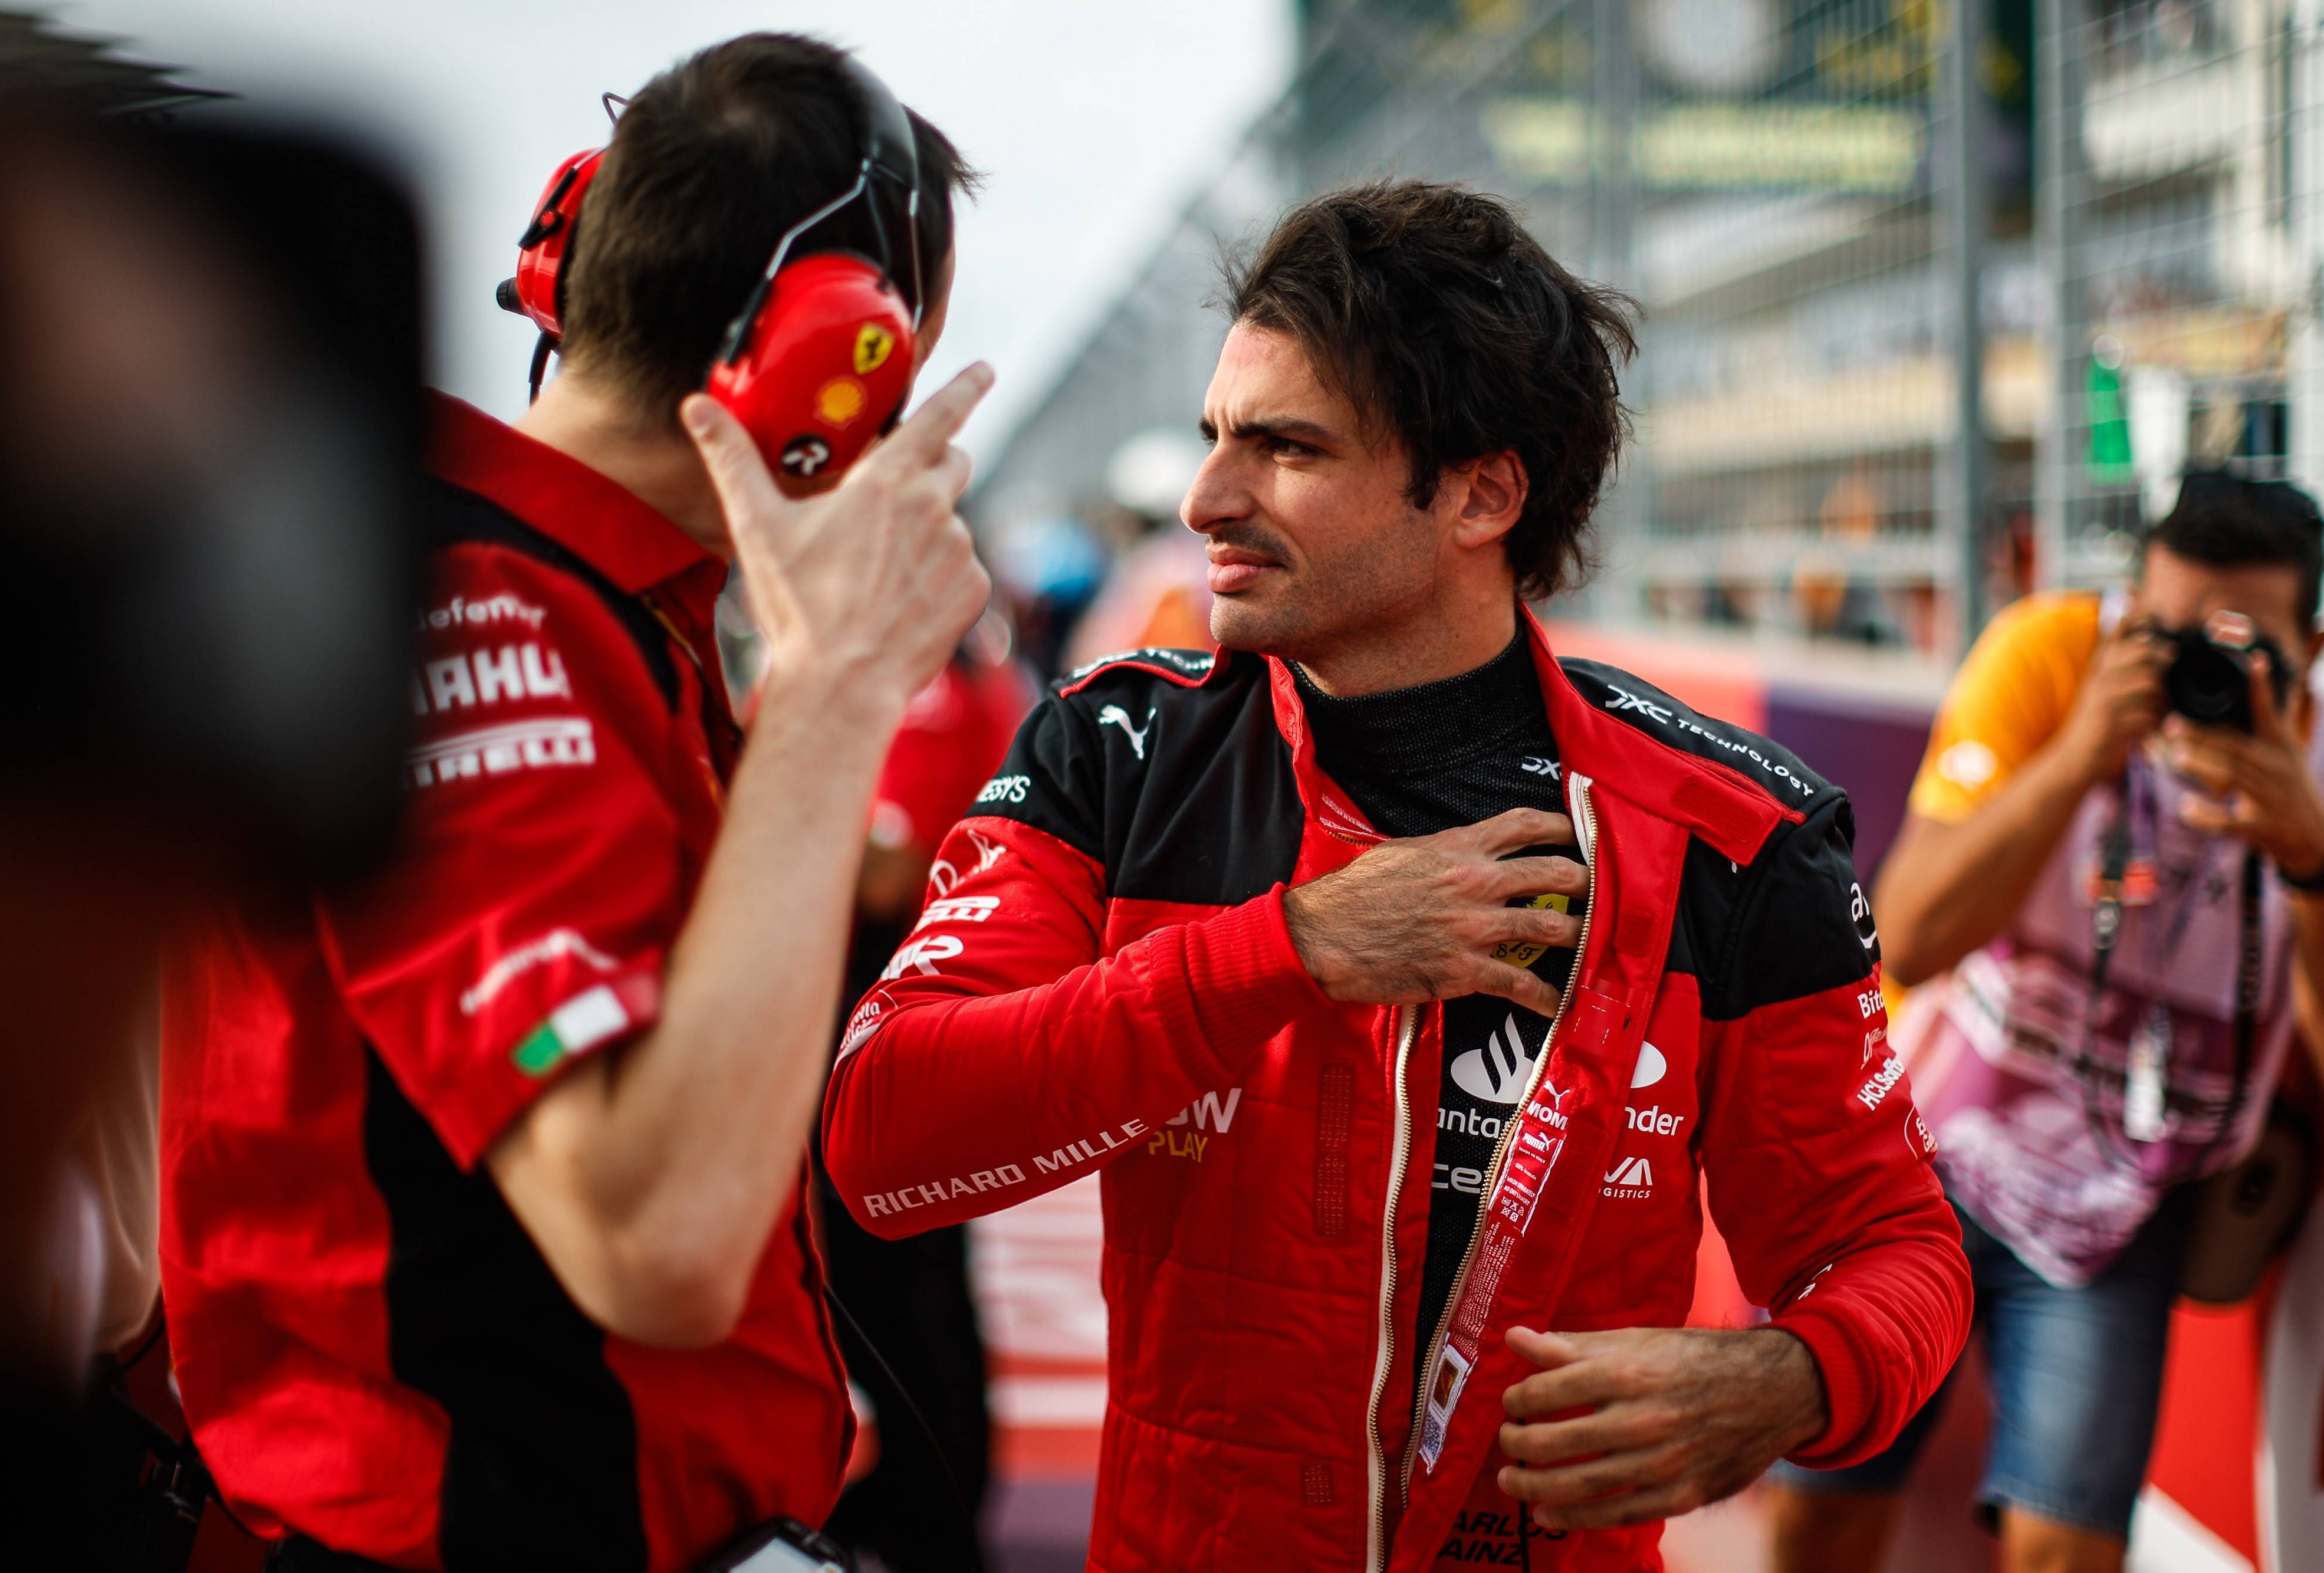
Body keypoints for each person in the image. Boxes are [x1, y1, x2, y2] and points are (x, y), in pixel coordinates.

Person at [822, 180, 1971, 1573]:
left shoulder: (1731, 833)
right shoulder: (1117, 750)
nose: (1204, 499)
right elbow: (882, 1141)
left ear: (1481, 490)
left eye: (1283, 448)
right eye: (1213, 439)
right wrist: (1289, 947)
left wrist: (1793, 1377)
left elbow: (1893, 1240)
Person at [157, 34, 991, 1570]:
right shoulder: (482, 616)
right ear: (832, 356)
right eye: (903, 366)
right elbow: (653, 1242)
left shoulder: (587, 602)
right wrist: (837, 692)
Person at [1766, 474, 2324, 1573]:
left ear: (2310, 647)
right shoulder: (2051, 655)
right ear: (2126, 607)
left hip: (2124, 1203)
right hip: (1921, 1156)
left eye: (2238, 648)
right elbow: (1911, 934)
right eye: (2167, 637)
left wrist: (2310, 859)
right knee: (1819, 1513)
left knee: (2063, 1553)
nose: (2194, 676)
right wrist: (2079, 754)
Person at [820, 623, 1032, 1572]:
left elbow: (887, 874)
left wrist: (756, 817)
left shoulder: (921, 682)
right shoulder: (947, 672)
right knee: (904, 1273)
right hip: (921, 1001)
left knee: (897, 1274)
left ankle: (933, 1513)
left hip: (899, 1002)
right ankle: (926, 1494)